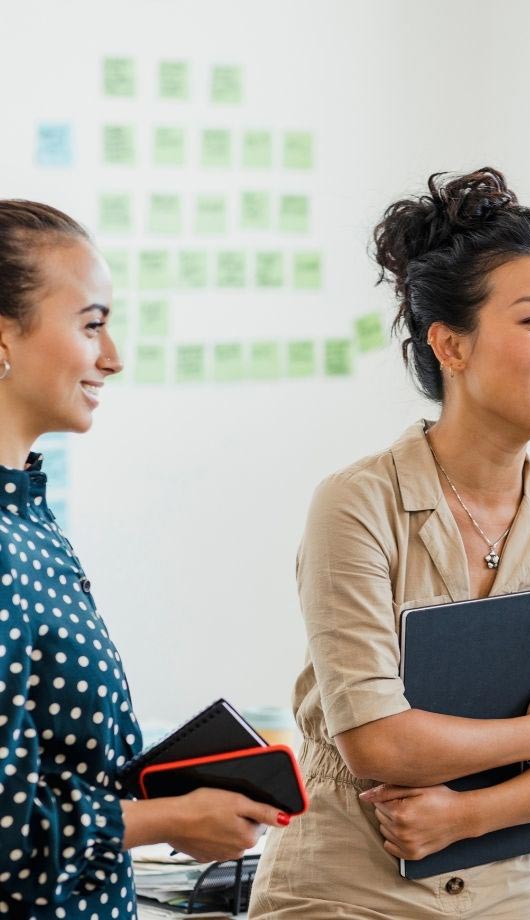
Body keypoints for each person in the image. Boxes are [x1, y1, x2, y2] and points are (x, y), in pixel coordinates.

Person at [249, 167, 530, 919]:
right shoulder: (357, 504)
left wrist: (468, 815)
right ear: (450, 347)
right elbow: (380, 743)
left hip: (504, 897)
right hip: (343, 895)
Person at [0, 200, 288, 918]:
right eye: (91, 324)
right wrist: (167, 822)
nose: (113, 356)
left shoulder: (27, 513)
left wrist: (169, 799)